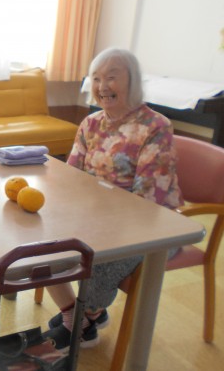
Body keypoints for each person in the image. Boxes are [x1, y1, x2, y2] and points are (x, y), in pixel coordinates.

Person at [41, 47, 184, 351]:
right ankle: (78, 314)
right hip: (96, 219)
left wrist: (94, 216)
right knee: (39, 245)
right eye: (96, 78)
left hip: (151, 229)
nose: (102, 86)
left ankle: (85, 317)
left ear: (133, 81)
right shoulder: (91, 123)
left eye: (111, 77)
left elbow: (148, 201)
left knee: (99, 260)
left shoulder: (155, 127)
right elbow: (71, 177)